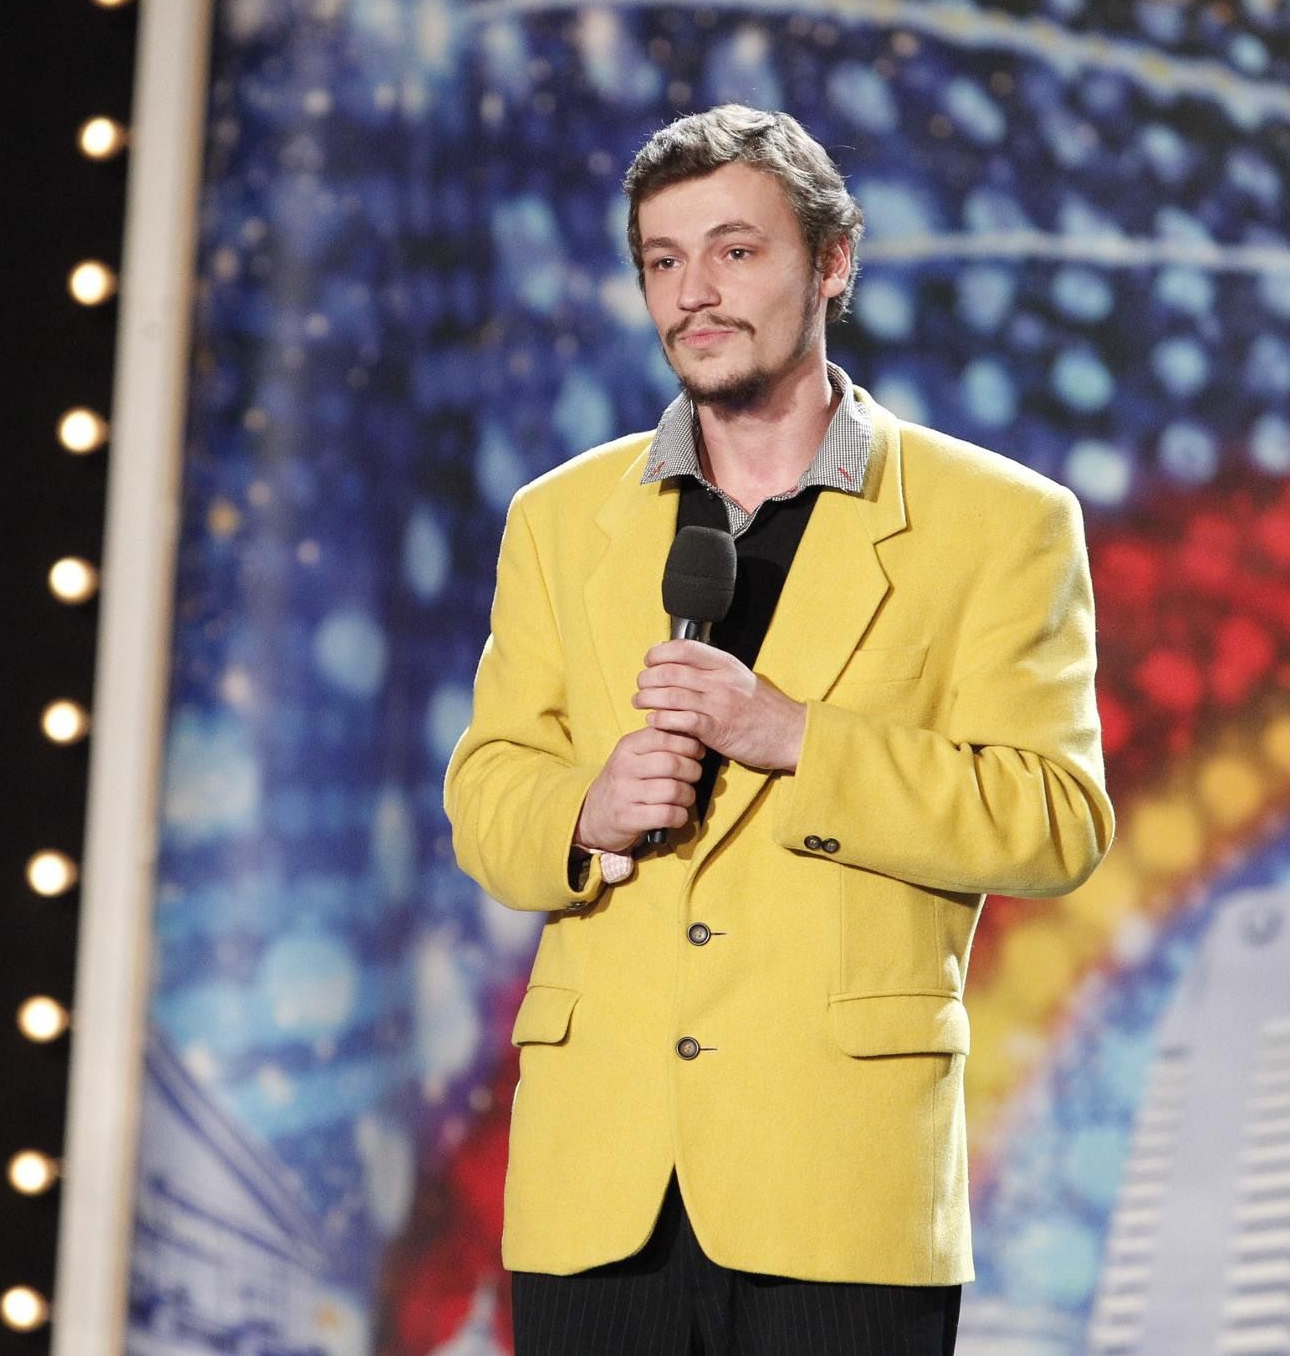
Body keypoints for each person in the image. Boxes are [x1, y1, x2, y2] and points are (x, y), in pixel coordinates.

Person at [443, 105, 1117, 1354]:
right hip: (598, 1186)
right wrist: (583, 811)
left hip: (839, 1185)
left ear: (831, 261)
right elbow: (487, 789)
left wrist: (801, 737)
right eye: (662, 259)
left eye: (735, 251)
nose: (692, 293)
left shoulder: (997, 521)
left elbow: (1052, 816)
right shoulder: (559, 518)